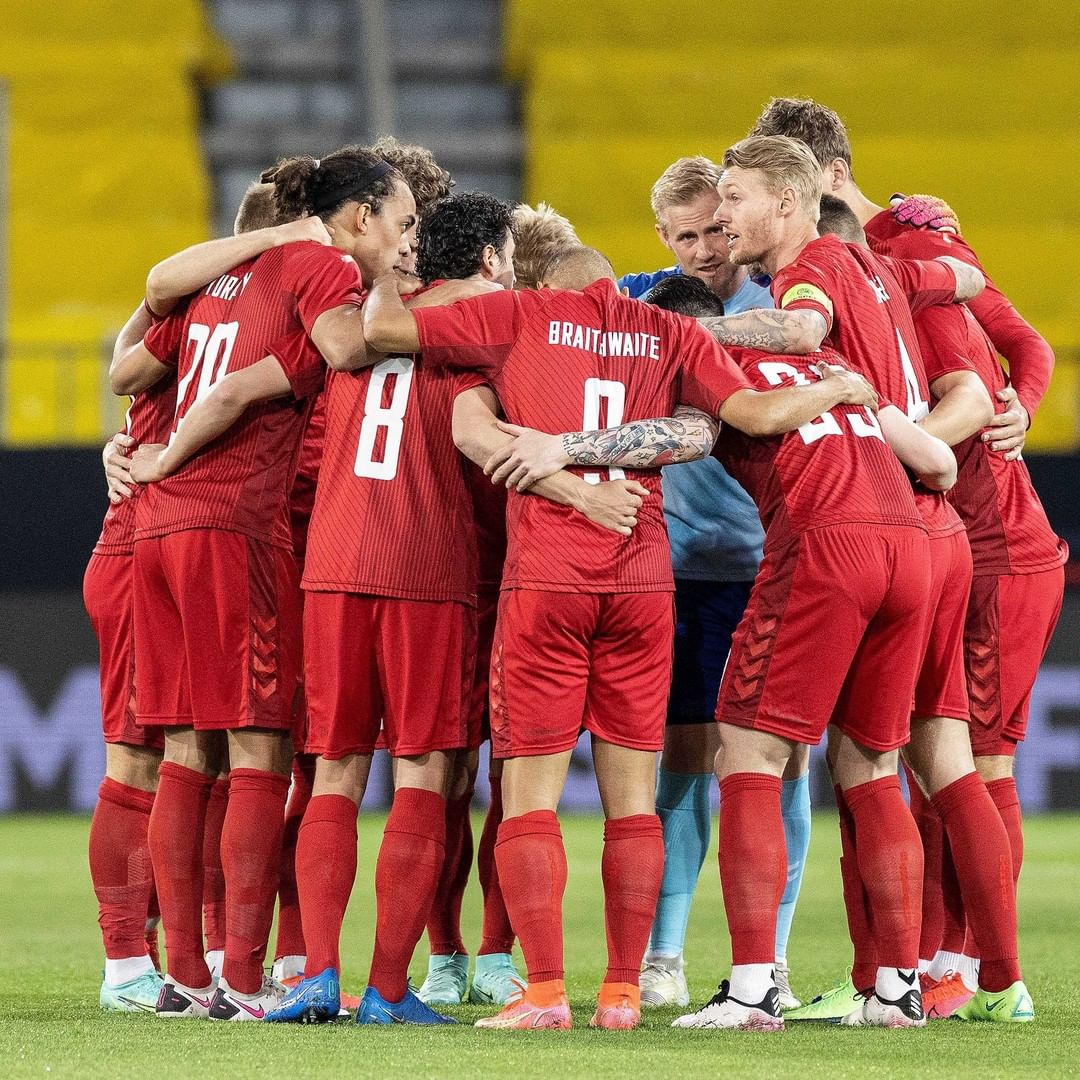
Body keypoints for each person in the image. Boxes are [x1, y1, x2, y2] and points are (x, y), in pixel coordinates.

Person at [362, 242, 881, 1031]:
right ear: (611, 286)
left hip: (548, 580)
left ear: (547, 286)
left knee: (530, 797)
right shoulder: (667, 331)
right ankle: (622, 992)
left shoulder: (518, 314)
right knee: (634, 803)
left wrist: (419, 283)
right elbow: (747, 418)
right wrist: (840, 387)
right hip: (643, 579)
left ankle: (542, 993)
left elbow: (387, 331)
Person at [697, 133, 999, 1028]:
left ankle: (753, 987)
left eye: (736, 198)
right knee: (873, 762)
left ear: (788, 202)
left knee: (747, 752)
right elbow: (940, 461)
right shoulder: (858, 321)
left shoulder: (795, 301)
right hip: (913, 534)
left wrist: (662, 337)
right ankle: (898, 987)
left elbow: (768, 359)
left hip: (829, 547)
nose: (722, 217)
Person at [114, 145, 413, 1021]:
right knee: (260, 752)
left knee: (184, 752)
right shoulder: (320, 266)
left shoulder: (223, 276)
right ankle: (243, 976)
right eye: (397, 225)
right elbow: (328, 355)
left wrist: (141, 455)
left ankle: (183, 973)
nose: (400, 244)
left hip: (161, 531)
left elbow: (132, 370)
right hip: (234, 523)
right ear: (359, 218)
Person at [824, 196, 1065, 1019]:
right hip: (947, 542)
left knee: (971, 766)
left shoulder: (904, 245)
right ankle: (933, 963)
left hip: (994, 547)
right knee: (933, 769)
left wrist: (1002, 411)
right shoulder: (882, 264)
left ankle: (977, 971)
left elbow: (998, 357)